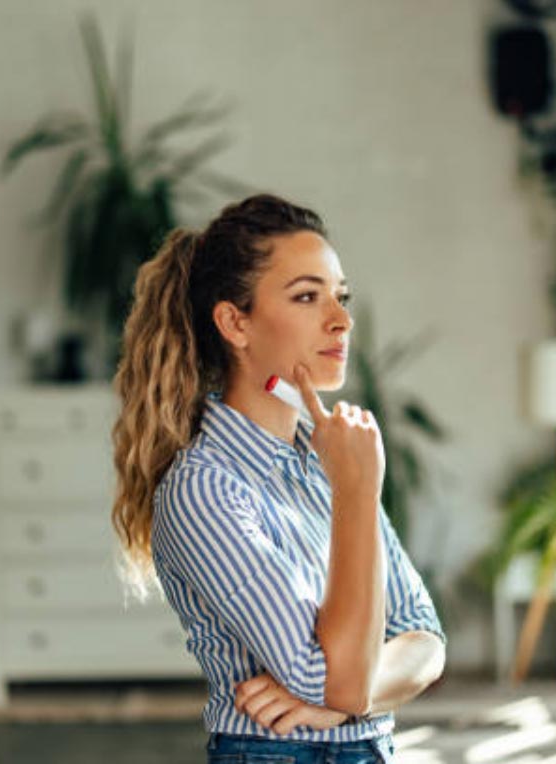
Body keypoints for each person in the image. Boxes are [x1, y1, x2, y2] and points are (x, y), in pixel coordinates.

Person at [110, 193, 447, 763]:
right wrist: (359, 492)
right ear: (234, 322)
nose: (340, 320)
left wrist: (341, 702)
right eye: (307, 297)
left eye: (340, 297)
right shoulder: (205, 488)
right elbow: (327, 673)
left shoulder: (328, 462)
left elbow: (425, 639)